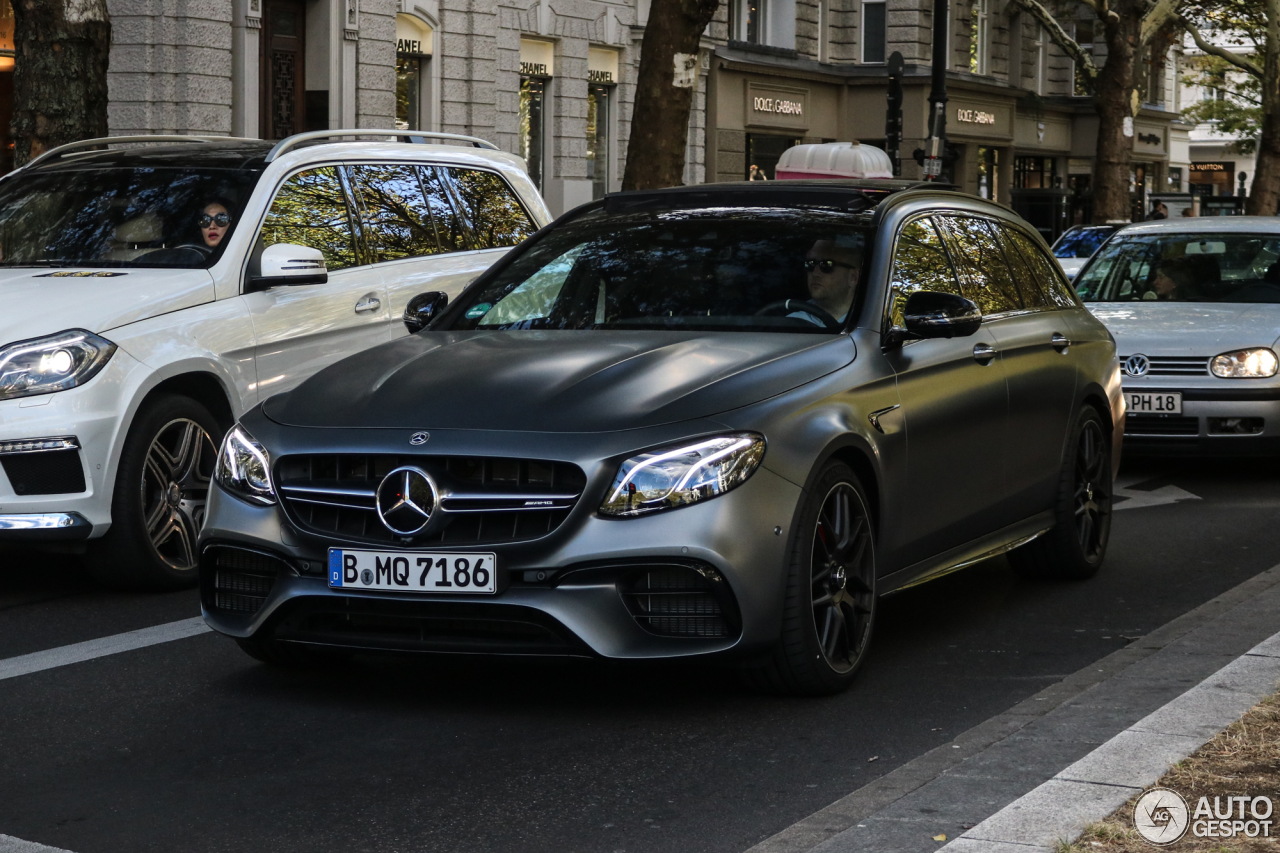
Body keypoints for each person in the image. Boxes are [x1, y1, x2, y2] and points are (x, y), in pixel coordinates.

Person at [788, 238, 863, 326]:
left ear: (853, 277)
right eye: (811, 263)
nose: (815, 273)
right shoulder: (792, 323)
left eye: (827, 265)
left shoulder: (870, 324)